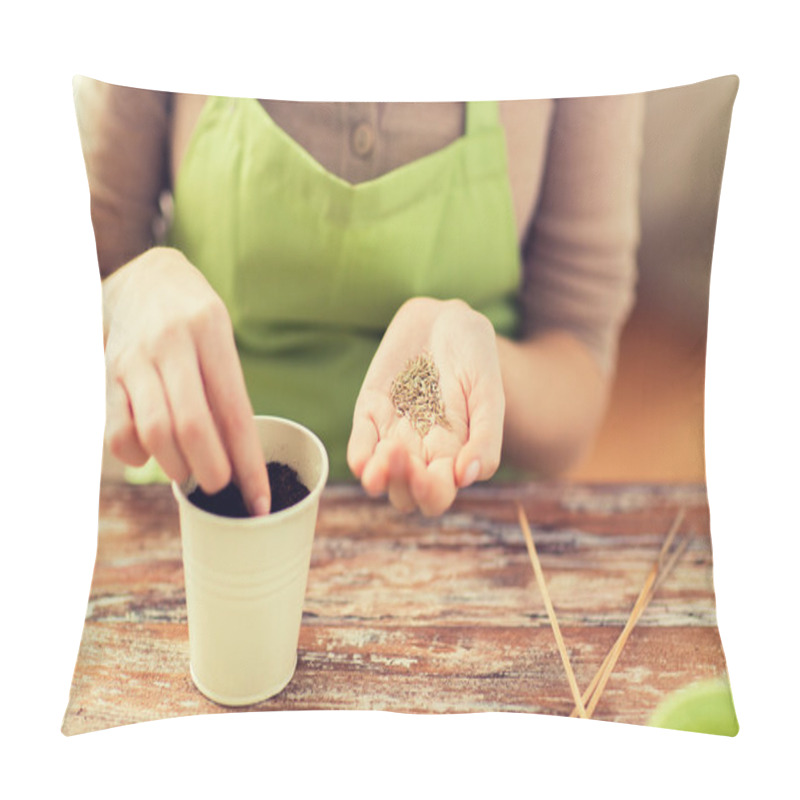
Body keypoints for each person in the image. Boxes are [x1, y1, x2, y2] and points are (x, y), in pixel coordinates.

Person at [74, 78, 644, 517]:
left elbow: (578, 365)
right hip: (196, 509)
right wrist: (128, 292)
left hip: (471, 529)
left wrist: (487, 368)